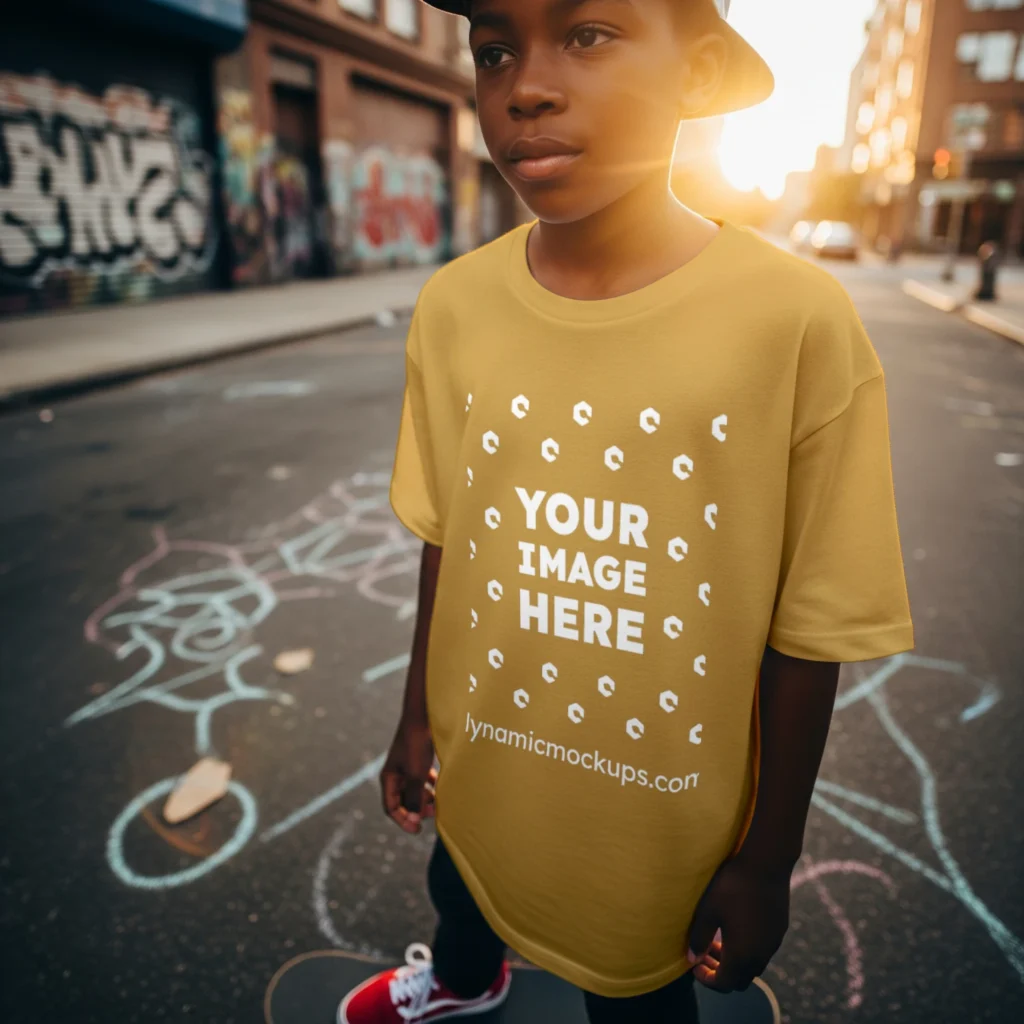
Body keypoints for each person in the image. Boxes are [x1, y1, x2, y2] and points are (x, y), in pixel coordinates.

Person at [338, 1, 915, 1022]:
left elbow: (813, 624)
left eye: (588, 34)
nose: (526, 87)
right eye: (494, 50)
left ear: (697, 72)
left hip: (655, 820)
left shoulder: (793, 321)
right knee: (460, 882)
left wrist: (767, 857)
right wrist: (417, 714)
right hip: (483, 756)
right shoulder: (454, 305)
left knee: (636, 997)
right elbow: (448, 533)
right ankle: (465, 979)